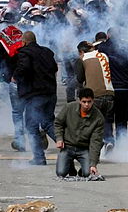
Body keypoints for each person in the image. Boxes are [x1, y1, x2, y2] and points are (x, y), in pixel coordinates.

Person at [13, 31, 58, 165]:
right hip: (50, 93)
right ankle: (69, 147)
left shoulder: (25, 52)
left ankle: (39, 158)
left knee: (32, 126)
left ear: (24, 42)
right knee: (48, 123)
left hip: (35, 95)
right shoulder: (47, 52)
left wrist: (15, 76)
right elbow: (55, 68)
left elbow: (24, 67)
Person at [97, 28, 128, 140]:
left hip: (108, 88)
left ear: (108, 35)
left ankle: (108, 140)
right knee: (122, 118)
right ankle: (121, 143)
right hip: (124, 88)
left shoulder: (101, 48)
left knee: (107, 117)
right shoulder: (127, 48)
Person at [54, 87, 104, 178]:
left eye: (89, 102)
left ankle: (84, 168)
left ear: (93, 101)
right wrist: (59, 138)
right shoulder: (69, 108)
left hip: (84, 148)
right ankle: (69, 164)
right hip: (68, 146)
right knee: (61, 173)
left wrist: (93, 164)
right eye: (84, 102)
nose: (86, 105)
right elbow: (58, 123)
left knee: (87, 174)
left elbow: (95, 142)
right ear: (79, 101)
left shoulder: (98, 118)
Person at [74, 41, 115, 149]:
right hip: (110, 93)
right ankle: (109, 140)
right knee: (106, 120)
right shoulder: (104, 55)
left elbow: (79, 78)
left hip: (94, 95)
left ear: (81, 51)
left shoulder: (82, 59)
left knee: (91, 122)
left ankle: (97, 146)